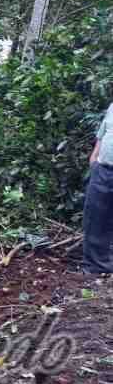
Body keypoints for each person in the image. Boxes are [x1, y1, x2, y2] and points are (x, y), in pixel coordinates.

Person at [84, 102, 113, 274]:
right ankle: (96, 267)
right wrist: (94, 158)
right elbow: (103, 134)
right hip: (103, 169)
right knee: (95, 217)